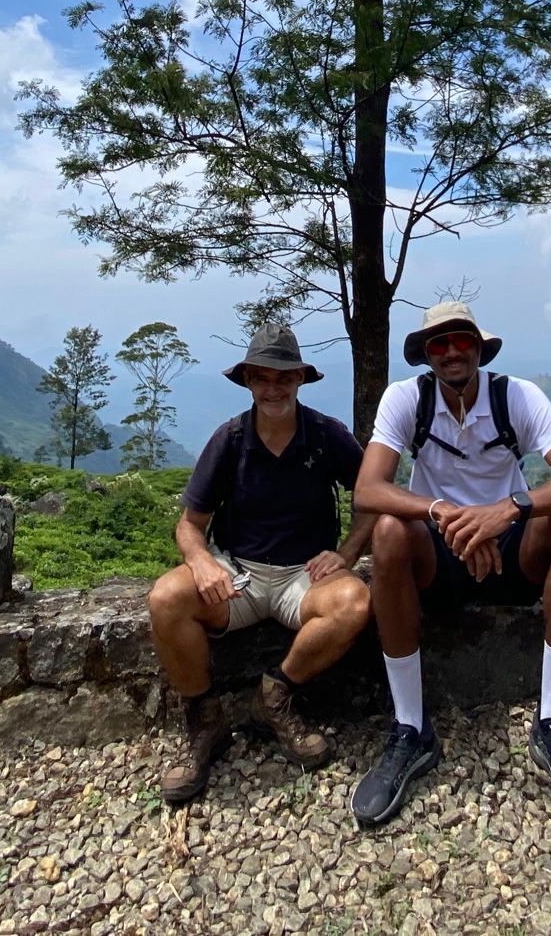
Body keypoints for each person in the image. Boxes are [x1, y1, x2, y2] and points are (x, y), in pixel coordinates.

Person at [351, 301, 551, 828]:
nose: (451, 352)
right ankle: (410, 729)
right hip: (438, 554)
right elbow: (369, 489)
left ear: (479, 346)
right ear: (426, 355)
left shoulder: (516, 397)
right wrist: (443, 513)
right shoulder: (407, 400)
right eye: (439, 344)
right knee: (388, 532)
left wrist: (507, 510)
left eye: (461, 341)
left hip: (512, 552)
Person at [146, 323, 374, 804]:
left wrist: (347, 553)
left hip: (304, 576)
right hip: (239, 573)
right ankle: (204, 720)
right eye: (262, 378)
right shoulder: (229, 439)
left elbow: (371, 498)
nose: (273, 389)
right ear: (248, 381)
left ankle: (274, 695)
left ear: (299, 381)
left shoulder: (326, 435)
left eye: (283, 378)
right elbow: (190, 524)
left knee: (354, 602)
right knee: (166, 597)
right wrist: (202, 561)